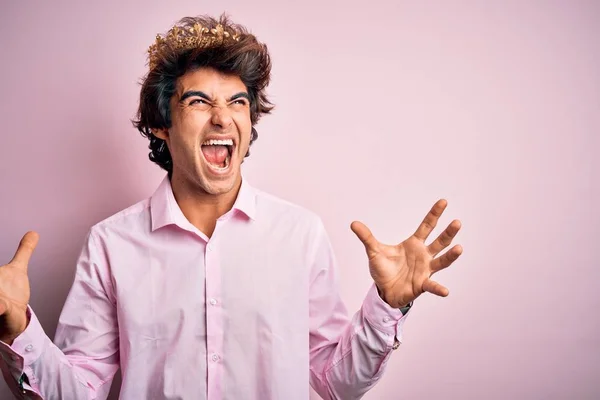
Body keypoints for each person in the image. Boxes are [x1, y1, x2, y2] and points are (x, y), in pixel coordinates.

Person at [0, 14, 463, 400]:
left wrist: (386, 306)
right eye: (199, 101)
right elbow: (77, 391)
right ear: (162, 125)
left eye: (237, 102)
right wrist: (16, 329)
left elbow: (334, 381)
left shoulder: (299, 234)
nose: (223, 116)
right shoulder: (110, 244)